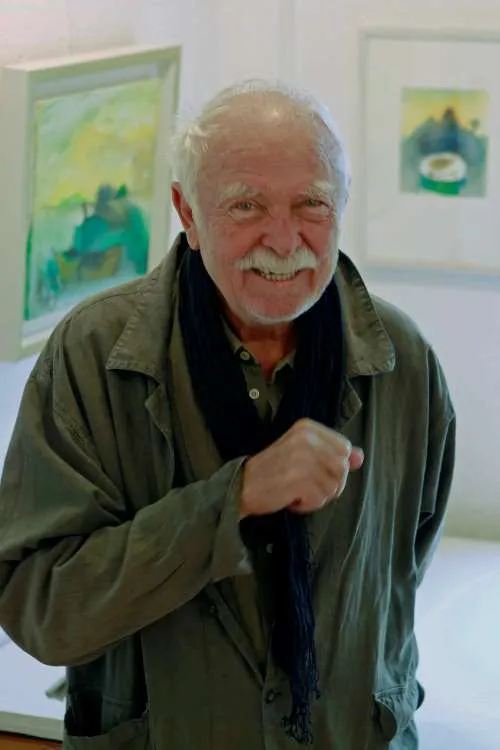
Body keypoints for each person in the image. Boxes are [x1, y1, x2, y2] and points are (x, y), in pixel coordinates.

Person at [0, 81, 455, 749]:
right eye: (246, 205)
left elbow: (401, 576)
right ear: (187, 212)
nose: (284, 240)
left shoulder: (402, 361)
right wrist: (233, 499)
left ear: (342, 204)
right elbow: (41, 611)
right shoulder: (92, 356)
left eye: (311, 204)